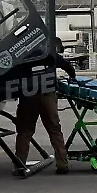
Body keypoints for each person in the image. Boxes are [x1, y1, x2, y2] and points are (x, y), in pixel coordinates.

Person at [14, 37, 76, 175]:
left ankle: (20, 163)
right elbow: (69, 68)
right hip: (48, 95)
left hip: (28, 95)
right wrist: (72, 78)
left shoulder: (25, 55)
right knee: (54, 129)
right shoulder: (52, 55)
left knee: (25, 131)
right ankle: (62, 164)